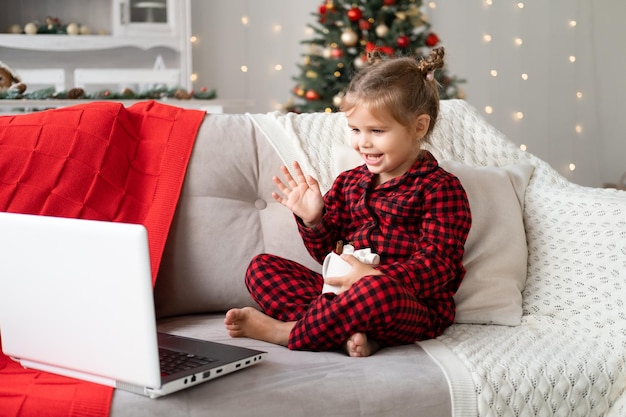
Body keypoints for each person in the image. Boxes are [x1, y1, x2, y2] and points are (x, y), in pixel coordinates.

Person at [225, 47, 471, 357]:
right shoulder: (349, 182)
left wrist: (377, 277)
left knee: (373, 292)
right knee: (261, 268)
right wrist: (314, 220)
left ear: (419, 127)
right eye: (355, 129)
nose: (363, 142)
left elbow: (440, 264)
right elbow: (327, 256)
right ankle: (345, 332)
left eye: (377, 131)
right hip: (340, 293)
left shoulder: (440, 188)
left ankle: (288, 332)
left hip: (406, 303)